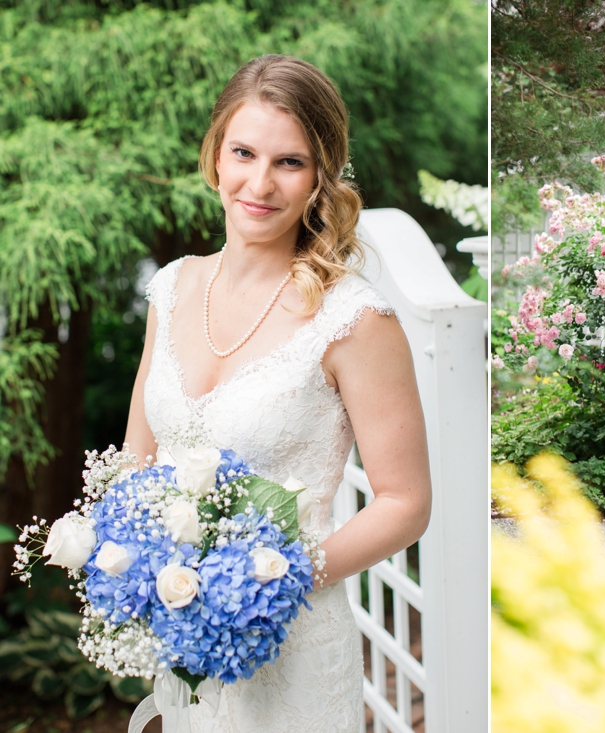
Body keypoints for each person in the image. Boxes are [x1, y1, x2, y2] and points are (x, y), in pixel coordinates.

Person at [124, 54, 432, 731]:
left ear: (321, 174)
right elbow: (137, 466)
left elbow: (407, 503)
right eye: (243, 152)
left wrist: (274, 577)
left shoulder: (354, 319)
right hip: (185, 643)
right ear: (215, 155)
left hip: (293, 649)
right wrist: (133, 567)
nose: (259, 182)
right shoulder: (171, 289)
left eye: (289, 162)